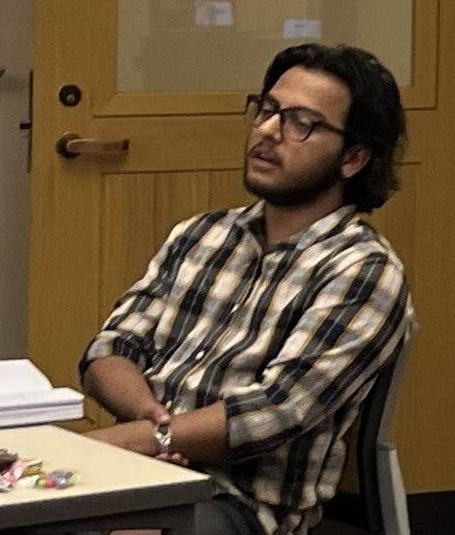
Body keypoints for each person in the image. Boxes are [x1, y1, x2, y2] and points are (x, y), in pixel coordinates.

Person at [78, 44, 415, 535]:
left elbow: (277, 410)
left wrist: (145, 439)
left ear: (354, 158)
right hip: (143, 467)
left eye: (302, 122)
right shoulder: (201, 234)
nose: (268, 131)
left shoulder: (362, 270)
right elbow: (112, 348)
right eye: (268, 109)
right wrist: (151, 423)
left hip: (239, 506)